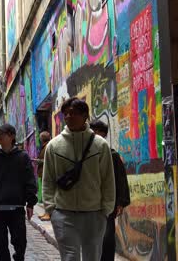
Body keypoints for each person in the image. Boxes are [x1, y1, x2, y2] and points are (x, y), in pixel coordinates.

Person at [42, 97, 115, 260]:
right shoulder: (53, 146)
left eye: (73, 113)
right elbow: (48, 180)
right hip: (63, 214)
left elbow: (108, 179)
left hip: (94, 214)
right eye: (65, 114)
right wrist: (51, 209)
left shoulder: (100, 145)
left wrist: (106, 209)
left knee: (92, 256)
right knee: (69, 257)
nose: (68, 117)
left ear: (85, 116)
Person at [0, 123, 37, 261]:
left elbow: (29, 181)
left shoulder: (23, 158)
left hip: (17, 209)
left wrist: (30, 203)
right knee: (0, 246)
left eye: (2, 134)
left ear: (12, 136)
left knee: (20, 244)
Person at [89, 120, 131, 261]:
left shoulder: (112, 155)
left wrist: (120, 202)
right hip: (89, 205)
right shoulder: (85, 156)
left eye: (97, 134)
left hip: (107, 205)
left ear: (104, 135)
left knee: (106, 239)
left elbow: (120, 180)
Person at [36, 131, 51, 221]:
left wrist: (39, 161)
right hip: (43, 172)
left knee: (46, 193)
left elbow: (48, 160)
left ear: (42, 138)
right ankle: (46, 212)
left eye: (40, 137)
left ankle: (48, 213)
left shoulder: (47, 146)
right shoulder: (45, 146)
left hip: (46, 172)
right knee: (45, 193)